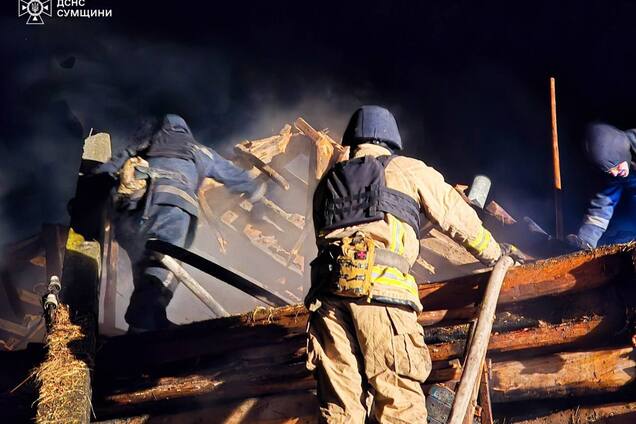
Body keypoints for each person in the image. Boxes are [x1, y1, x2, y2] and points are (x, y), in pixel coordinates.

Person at [305, 105, 523, 423]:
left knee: (340, 409)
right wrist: (495, 255)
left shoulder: (328, 182)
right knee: (399, 403)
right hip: (382, 295)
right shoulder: (407, 169)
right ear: (391, 139)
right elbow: (458, 218)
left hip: (327, 300)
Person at [95, 114, 266, 332]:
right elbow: (232, 174)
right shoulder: (197, 151)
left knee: (145, 265)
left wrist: (86, 196)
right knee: (164, 265)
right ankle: (143, 324)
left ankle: (151, 319)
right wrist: (256, 196)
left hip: (131, 216)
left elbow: (107, 170)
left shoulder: (144, 145)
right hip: (171, 210)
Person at [568, 123, 636, 250]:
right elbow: (603, 204)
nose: (615, 173)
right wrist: (586, 239)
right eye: (610, 171)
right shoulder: (616, 174)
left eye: (615, 166)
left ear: (620, 153)